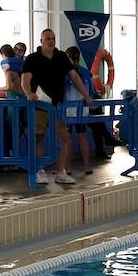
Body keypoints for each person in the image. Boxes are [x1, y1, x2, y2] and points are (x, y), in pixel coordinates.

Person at [20, 28, 89, 186]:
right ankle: (39, 170)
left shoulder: (61, 57)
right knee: (39, 138)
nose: (51, 41)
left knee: (65, 138)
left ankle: (60, 172)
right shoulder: (32, 59)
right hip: (39, 105)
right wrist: (29, 93)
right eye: (47, 39)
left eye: (53, 38)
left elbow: (74, 76)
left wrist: (86, 94)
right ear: (41, 41)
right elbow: (25, 81)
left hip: (57, 105)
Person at [63, 45, 94, 177]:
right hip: (83, 109)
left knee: (68, 139)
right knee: (82, 136)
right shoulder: (86, 72)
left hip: (69, 109)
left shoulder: (66, 74)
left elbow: (62, 91)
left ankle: (67, 167)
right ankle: (87, 165)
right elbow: (91, 91)